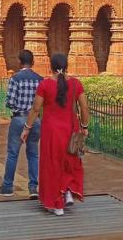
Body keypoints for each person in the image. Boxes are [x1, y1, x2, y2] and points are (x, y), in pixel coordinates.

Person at [21, 53, 89, 216]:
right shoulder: (75, 84)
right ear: (67, 66)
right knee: (71, 161)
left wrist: (27, 127)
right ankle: (67, 192)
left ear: (50, 67)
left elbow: (36, 109)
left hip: (52, 132)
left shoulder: (45, 85)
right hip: (72, 130)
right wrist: (85, 126)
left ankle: (57, 205)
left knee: (53, 165)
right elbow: (84, 107)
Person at [0, 50, 42, 199]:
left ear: (20, 62)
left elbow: (10, 101)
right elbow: (42, 102)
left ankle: (7, 186)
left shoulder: (15, 78)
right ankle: (33, 187)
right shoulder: (40, 79)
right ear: (33, 62)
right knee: (33, 154)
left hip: (19, 118)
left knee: (13, 153)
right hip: (35, 120)